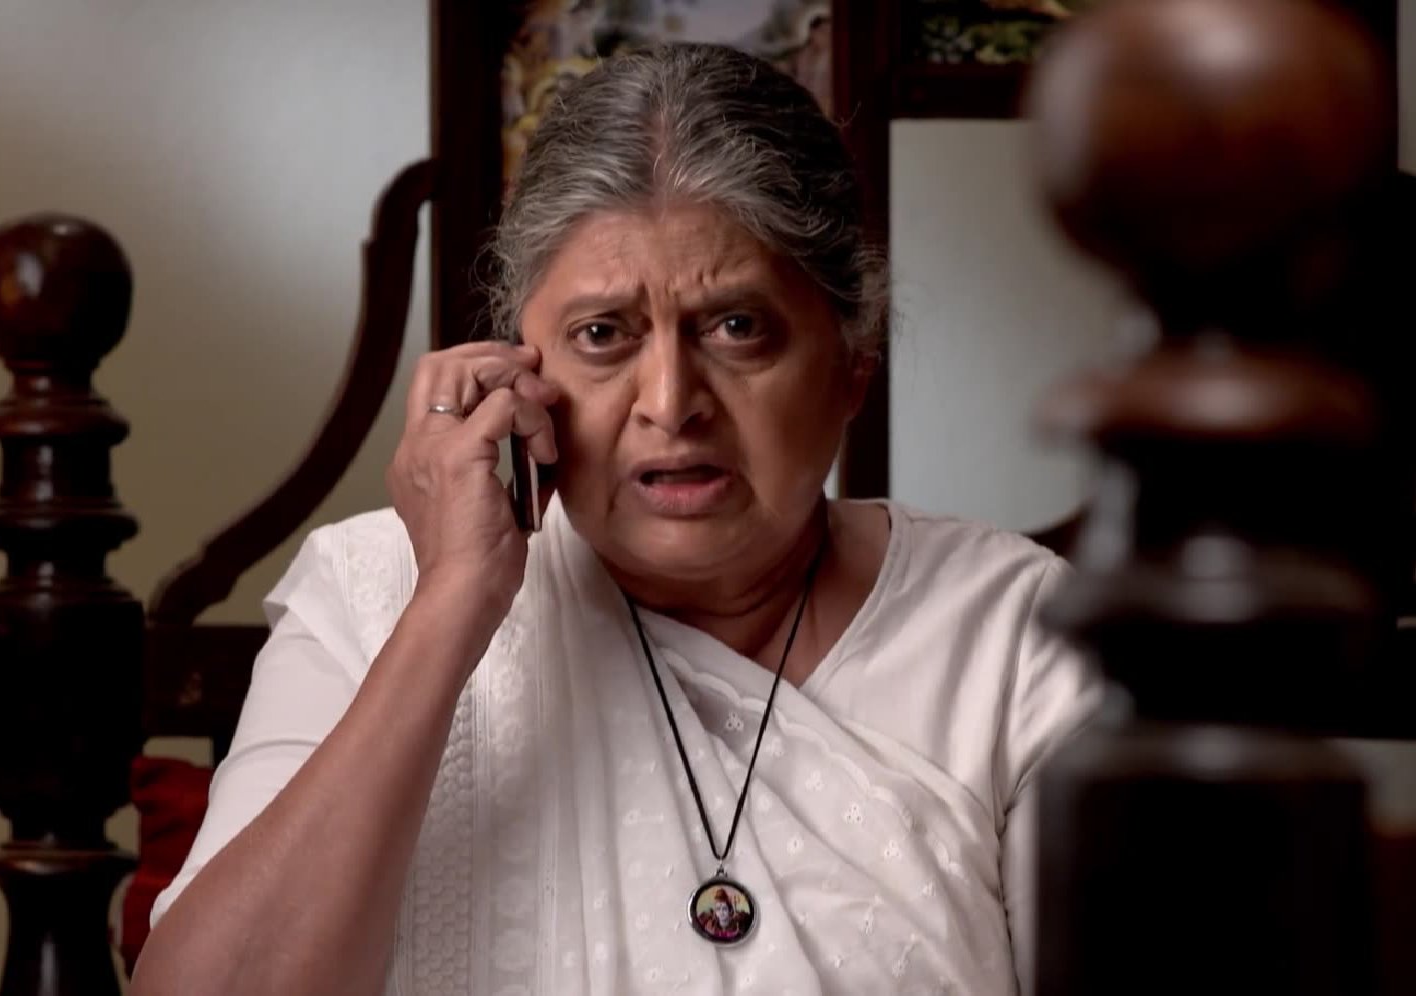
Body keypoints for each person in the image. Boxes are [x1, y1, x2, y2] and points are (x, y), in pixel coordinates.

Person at [130, 42, 1100, 996]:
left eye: (737, 327)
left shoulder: (1015, 635)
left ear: (853, 365)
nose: (670, 403)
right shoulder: (370, 595)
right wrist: (450, 608)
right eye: (602, 335)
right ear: (518, 371)